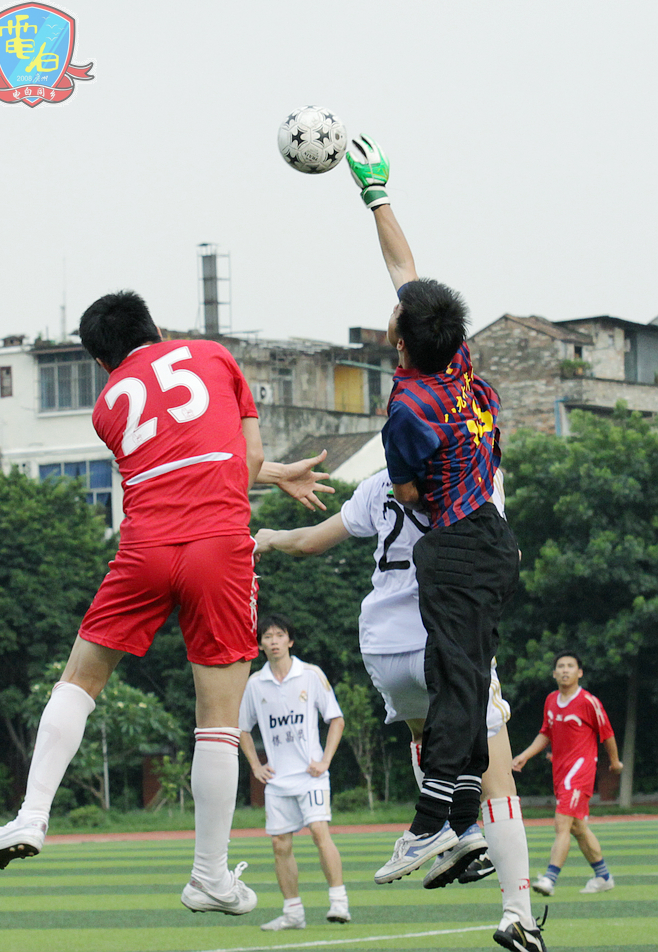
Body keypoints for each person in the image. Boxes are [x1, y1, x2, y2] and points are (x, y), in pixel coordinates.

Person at [0, 290, 334, 918]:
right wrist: (272, 473)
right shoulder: (214, 356)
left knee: (79, 679)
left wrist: (272, 472)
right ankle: (209, 876)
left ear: (101, 363)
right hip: (218, 547)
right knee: (217, 718)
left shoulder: (107, 404)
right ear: (157, 328)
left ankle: (30, 814)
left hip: (144, 547)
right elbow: (240, 460)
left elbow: (170, 461)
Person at [255, 468, 547, 952]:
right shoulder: (474, 470)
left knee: (424, 735)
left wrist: (269, 537)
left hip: (383, 643)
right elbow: (503, 552)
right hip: (446, 636)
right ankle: (518, 914)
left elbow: (309, 543)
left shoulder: (378, 482)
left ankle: (455, 832)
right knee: (497, 782)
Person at [345, 137, 520, 882]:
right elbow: (406, 271)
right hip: (491, 541)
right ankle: (460, 822)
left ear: (400, 340)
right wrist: (377, 196)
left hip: (456, 547)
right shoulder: (459, 360)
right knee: (465, 683)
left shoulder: (409, 407)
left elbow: (411, 492)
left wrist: (421, 484)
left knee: (457, 684)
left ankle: (428, 824)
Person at [239, 614, 349, 931]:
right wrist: (256, 765)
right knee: (279, 844)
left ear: (290, 640)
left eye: (279, 635)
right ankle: (293, 913)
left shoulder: (310, 675)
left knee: (318, 831)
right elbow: (242, 728)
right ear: (260, 645)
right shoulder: (255, 683)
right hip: (277, 781)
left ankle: (339, 902)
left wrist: (325, 760)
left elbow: (336, 719)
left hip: (311, 776)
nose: (273, 641)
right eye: (267, 637)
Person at [512, 651, 623, 896]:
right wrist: (525, 755)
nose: (565, 670)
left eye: (570, 666)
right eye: (560, 666)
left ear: (579, 672)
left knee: (562, 823)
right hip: (560, 772)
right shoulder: (551, 700)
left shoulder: (588, 702)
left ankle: (549, 879)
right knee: (577, 828)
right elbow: (546, 732)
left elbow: (607, 733)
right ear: (554, 673)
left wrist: (615, 762)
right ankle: (603, 877)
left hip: (580, 772)